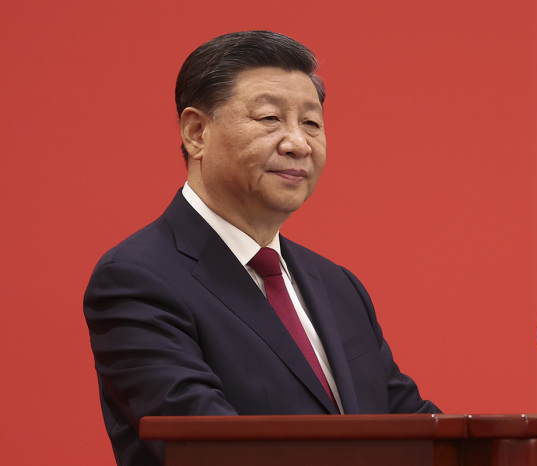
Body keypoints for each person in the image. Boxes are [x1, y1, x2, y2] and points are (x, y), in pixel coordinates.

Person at [84, 30, 440, 466]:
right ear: (197, 132)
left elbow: (414, 428)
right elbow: (211, 447)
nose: (298, 143)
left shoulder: (337, 285)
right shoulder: (138, 279)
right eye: (270, 118)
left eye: (311, 123)